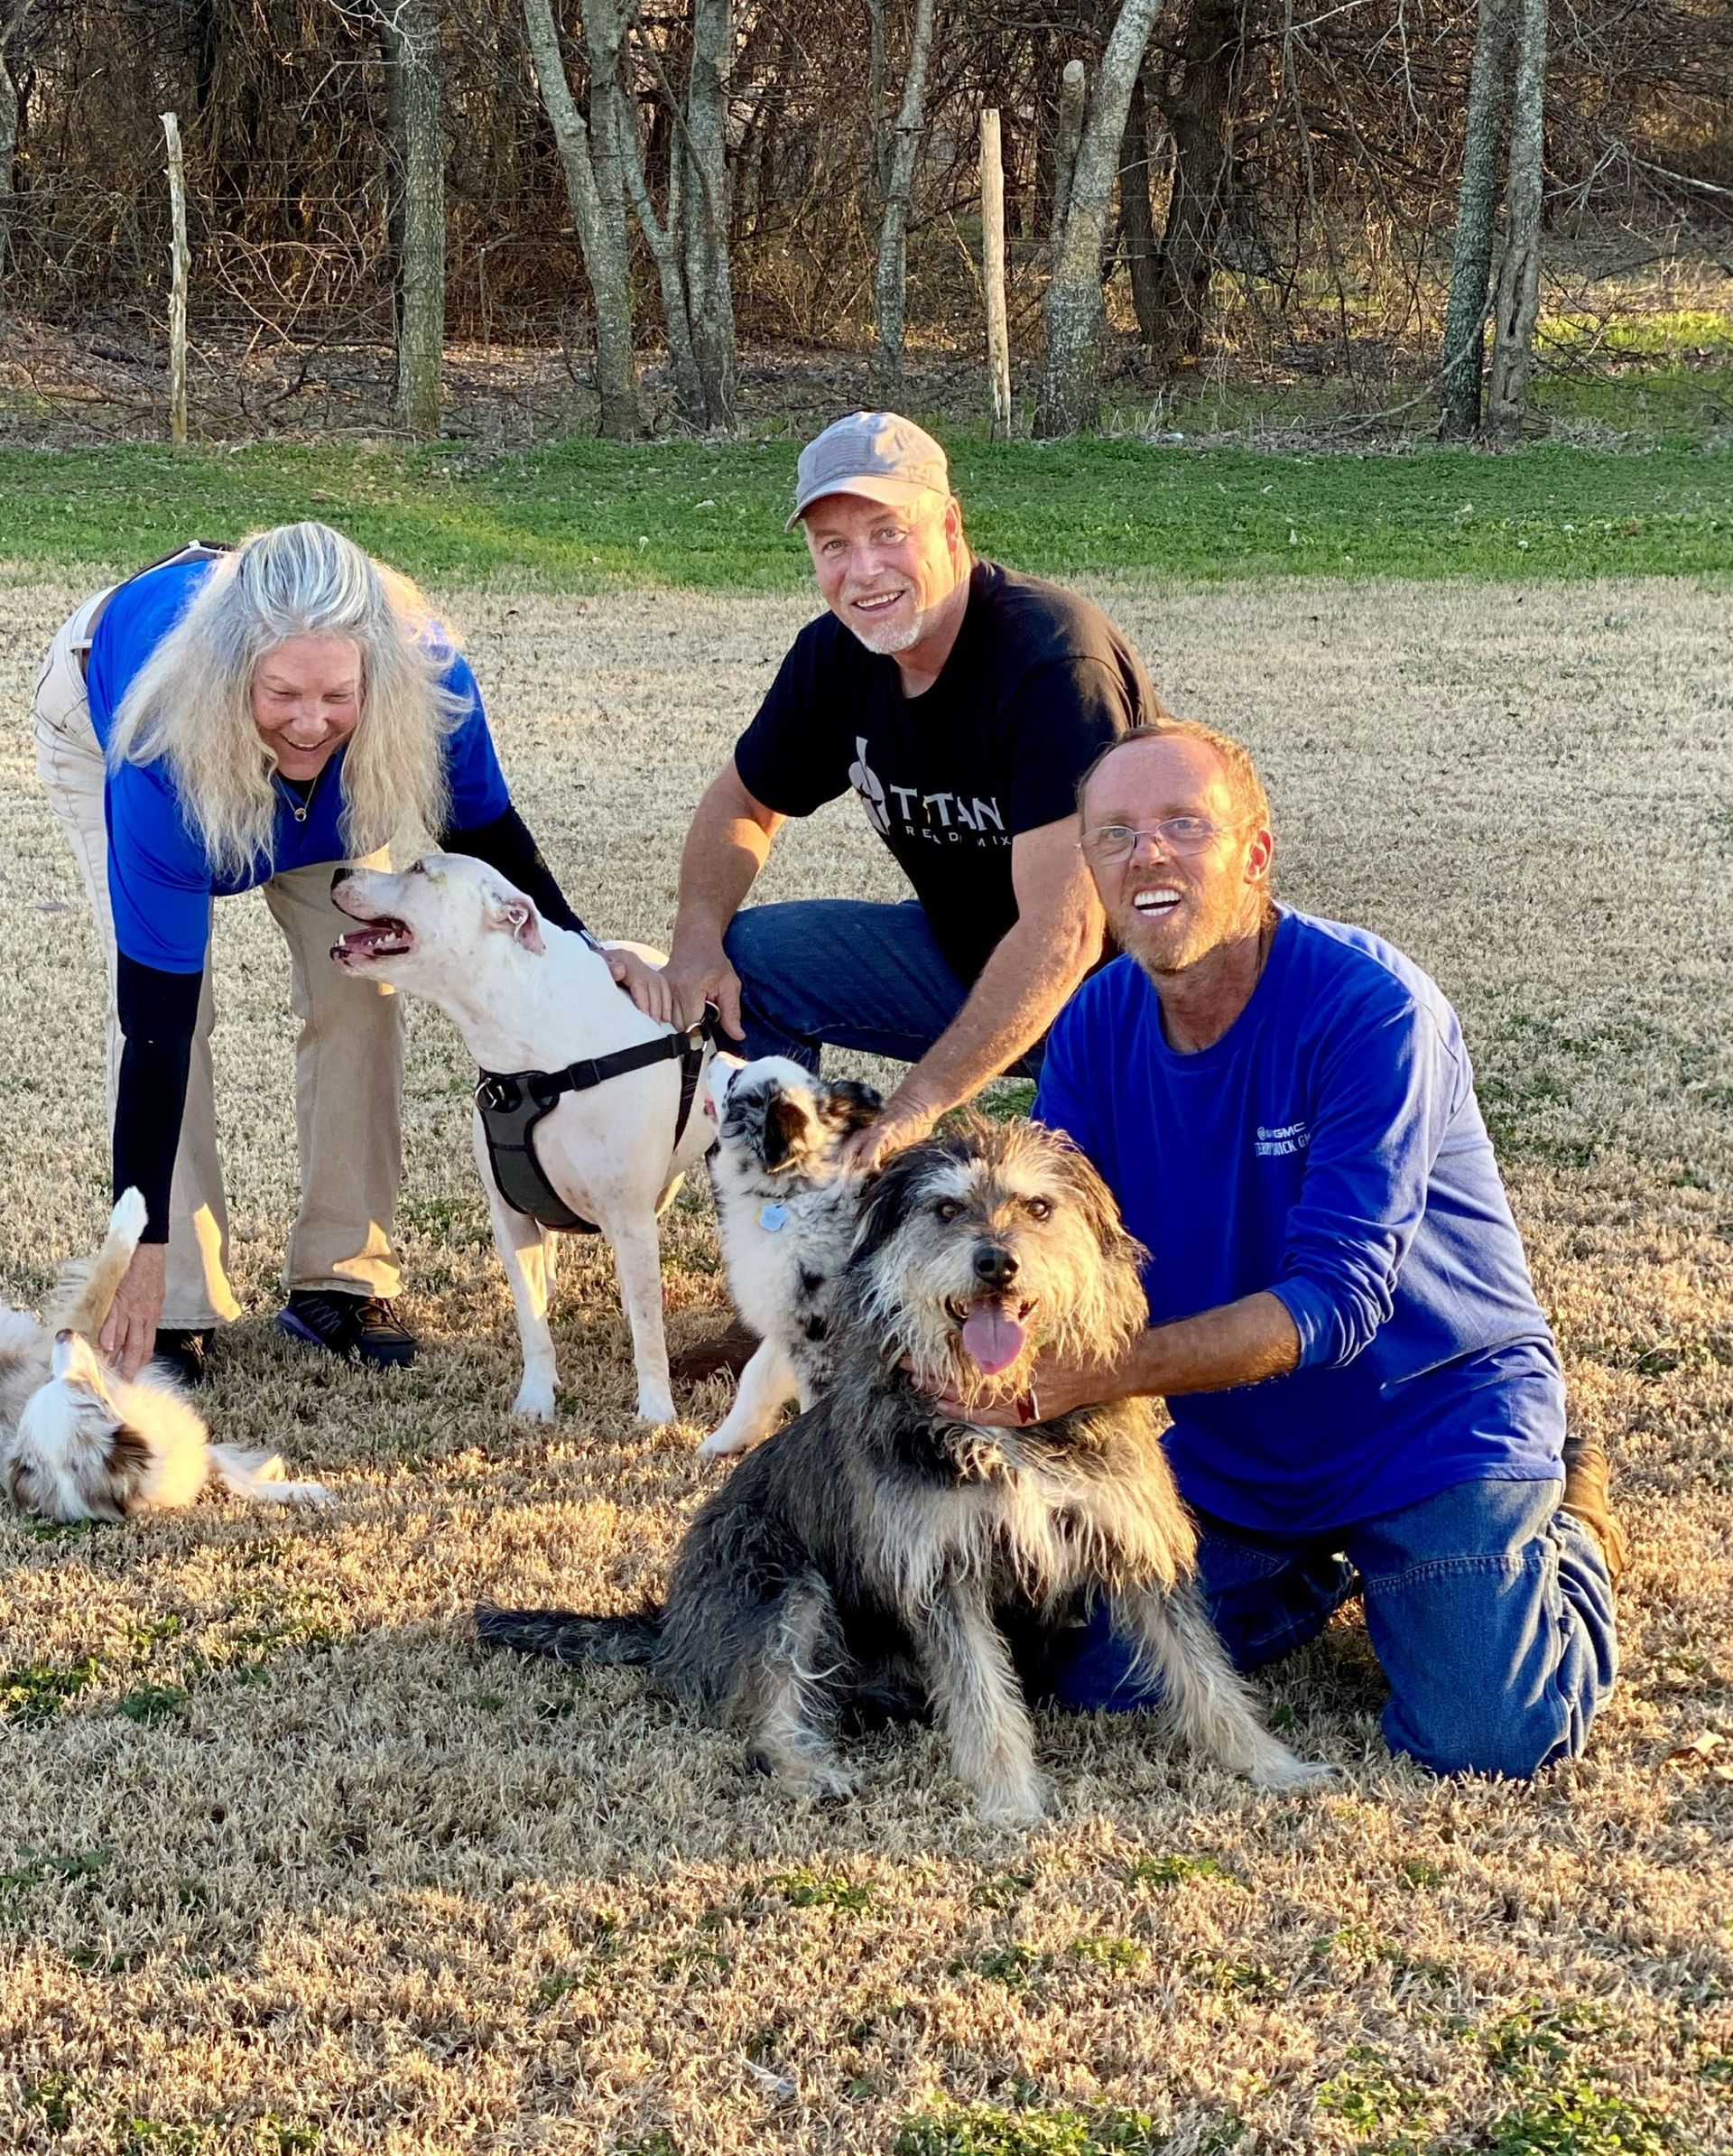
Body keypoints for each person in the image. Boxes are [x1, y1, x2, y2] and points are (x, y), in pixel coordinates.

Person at [943, 718, 1623, 1779]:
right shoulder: (1090, 1026)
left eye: (1183, 825)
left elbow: (1336, 1303)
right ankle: (1328, 1569)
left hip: (1428, 1421)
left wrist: (1100, 1374)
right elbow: (1056, 1250)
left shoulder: (1371, 1009)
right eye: (1115, 835)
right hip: (1235, 1447)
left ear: (1254, 854)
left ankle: (1567, 1525)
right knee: (1100, 1677)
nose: (1147, 855)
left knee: (1486, 1737)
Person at [32, 523, 663, 1384]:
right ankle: (175, 1302)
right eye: (282, 692)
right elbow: (156, 1025)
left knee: (364, 985)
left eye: (337, 694)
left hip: (343, 770)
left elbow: (486, 835)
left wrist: (587, 953)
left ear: (379, 673)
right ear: (236, 673)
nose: (308, 722)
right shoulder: (159, 753)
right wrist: (136, 1245)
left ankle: (341, 1279)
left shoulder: (427, 679)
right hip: (129, 720)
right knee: (183, 1010)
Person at [661, 411, 1163, 1170]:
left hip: (1123, 1002)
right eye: (834, 545)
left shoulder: (1051, 664)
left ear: (950, 528)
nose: (863, 571)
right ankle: (792, 1210)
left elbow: (1064, 938)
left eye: (888, 533)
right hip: (964, 961)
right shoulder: (835, 656)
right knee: (755, 960)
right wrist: (696, 941)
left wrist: (916, 1104)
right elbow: (742, 802)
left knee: (1064, 1208)